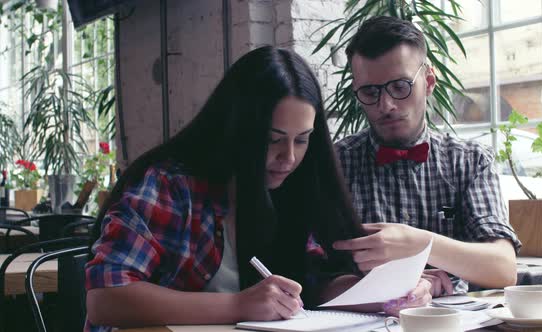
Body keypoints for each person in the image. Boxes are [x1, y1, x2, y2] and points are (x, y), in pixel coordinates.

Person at [85, 46, 431, 332]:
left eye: (303, 140)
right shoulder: (171, 184)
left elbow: (311, 283)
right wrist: (237, 305)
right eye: (272, 140)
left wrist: (385, 293)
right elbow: (106, 300)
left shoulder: (292, 184)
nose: (289, 157)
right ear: (236, 127)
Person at [332, 16, 522, 296]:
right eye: (370, 92)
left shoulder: (470, 162)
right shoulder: (336, 164)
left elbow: (503, 268)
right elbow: (312, 273)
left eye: (400, 86)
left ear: (429, 81)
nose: (386, 105)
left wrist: (418, 244)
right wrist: (404, 284)